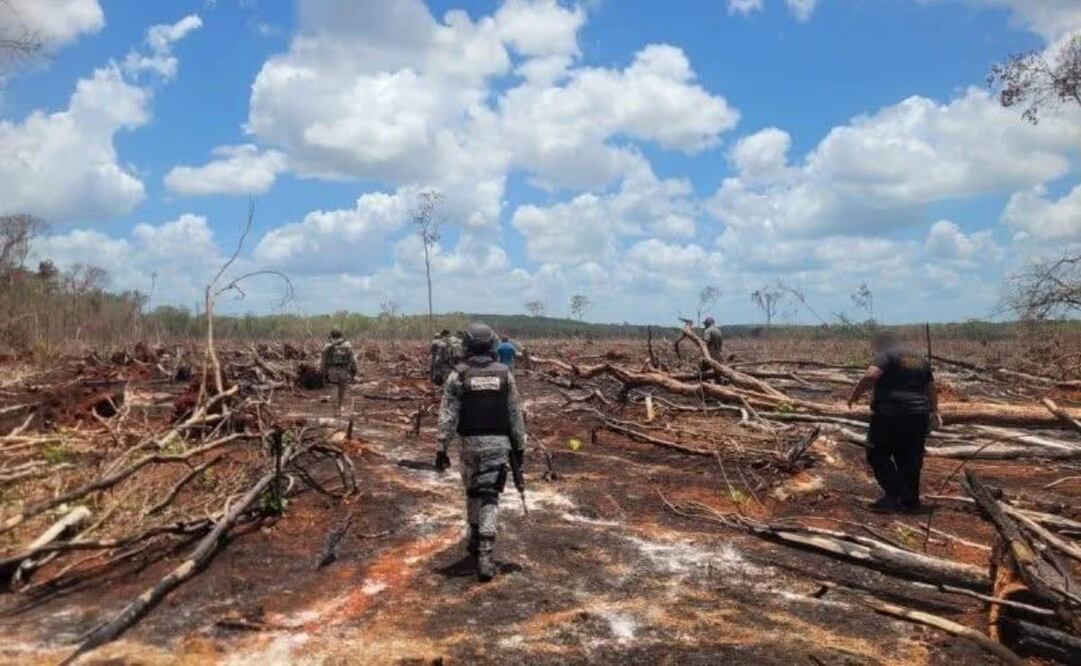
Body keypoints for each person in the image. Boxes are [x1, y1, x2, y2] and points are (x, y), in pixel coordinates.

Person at [435, 322, 527, 582]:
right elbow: (515, 414)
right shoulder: (505, 375)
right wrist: (520, 447)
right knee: (489, 496)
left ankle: (476, 539)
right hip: (498, 445)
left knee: (473, 491)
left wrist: (441, 448)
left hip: (468, 445)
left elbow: (448, 416)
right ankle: (485, 553)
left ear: (468, 344)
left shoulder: (458, 375)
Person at [847, 331, 939, 513]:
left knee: (877, 454)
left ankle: (898, 494)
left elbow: (871, 375)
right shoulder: (919, 358)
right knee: (910, 458)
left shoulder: (886, 355)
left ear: (882, 343)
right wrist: (935, 410)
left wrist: (855, 394)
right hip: (918, 415)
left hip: (890, 415)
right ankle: (911, 501)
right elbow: (931, 387)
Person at [320, 328, 357, 416]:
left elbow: (324, 360)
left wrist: (323, 370)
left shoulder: (328, 346)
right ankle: (339, 407)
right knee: (342, 389)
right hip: (344, 370)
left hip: (332, 370)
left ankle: (336, 410)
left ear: (331, 335)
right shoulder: (347, 345)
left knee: (334, 388)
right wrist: (354, 370)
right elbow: (352, 359)